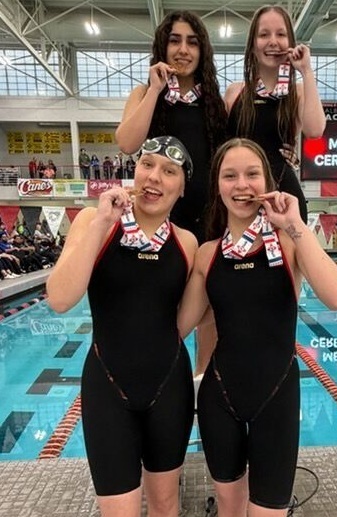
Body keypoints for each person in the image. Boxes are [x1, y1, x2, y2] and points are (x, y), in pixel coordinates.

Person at [177, 138, 337, 517]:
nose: (243, 184)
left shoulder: (288, 242)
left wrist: (297, 224)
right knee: (229, 510)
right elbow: (179, 325)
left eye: (252, 173)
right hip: (222, 397)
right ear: (218, 186)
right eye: (230, 175)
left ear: (267, 182)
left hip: (277, 395)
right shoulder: (208, 254)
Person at [47, 135, 197, 517]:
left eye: (168, 173)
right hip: (107, 385)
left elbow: (185, 321)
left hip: (168, 387)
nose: (154, 177)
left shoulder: (187, 243)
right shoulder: (95, 223)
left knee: (163, 501)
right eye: (147, 166)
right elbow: (60, 299)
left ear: (181, 188)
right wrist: (102, 223)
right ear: (134, 172)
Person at [116, 11, 228, 375]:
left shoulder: (213, 102)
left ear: (203, 51)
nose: (183, 49)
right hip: (157, 221)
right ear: (162, 45)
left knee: (208, 312)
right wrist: (154, 91)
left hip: (208, 220)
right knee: (158, 309)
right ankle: (159, 382)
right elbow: (127, 143)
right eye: (175, 40)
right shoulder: (144, 94)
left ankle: (202, 388)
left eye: (192, 42)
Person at [224, 5, 326, 223]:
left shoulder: (297, 92)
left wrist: (306, 70)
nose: (273, 41)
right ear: (253, 45)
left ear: (290, 43)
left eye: (281, 34)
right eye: (264, 34)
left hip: (283, 195)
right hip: (242, 196)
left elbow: (315, 130)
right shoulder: (235, 93)